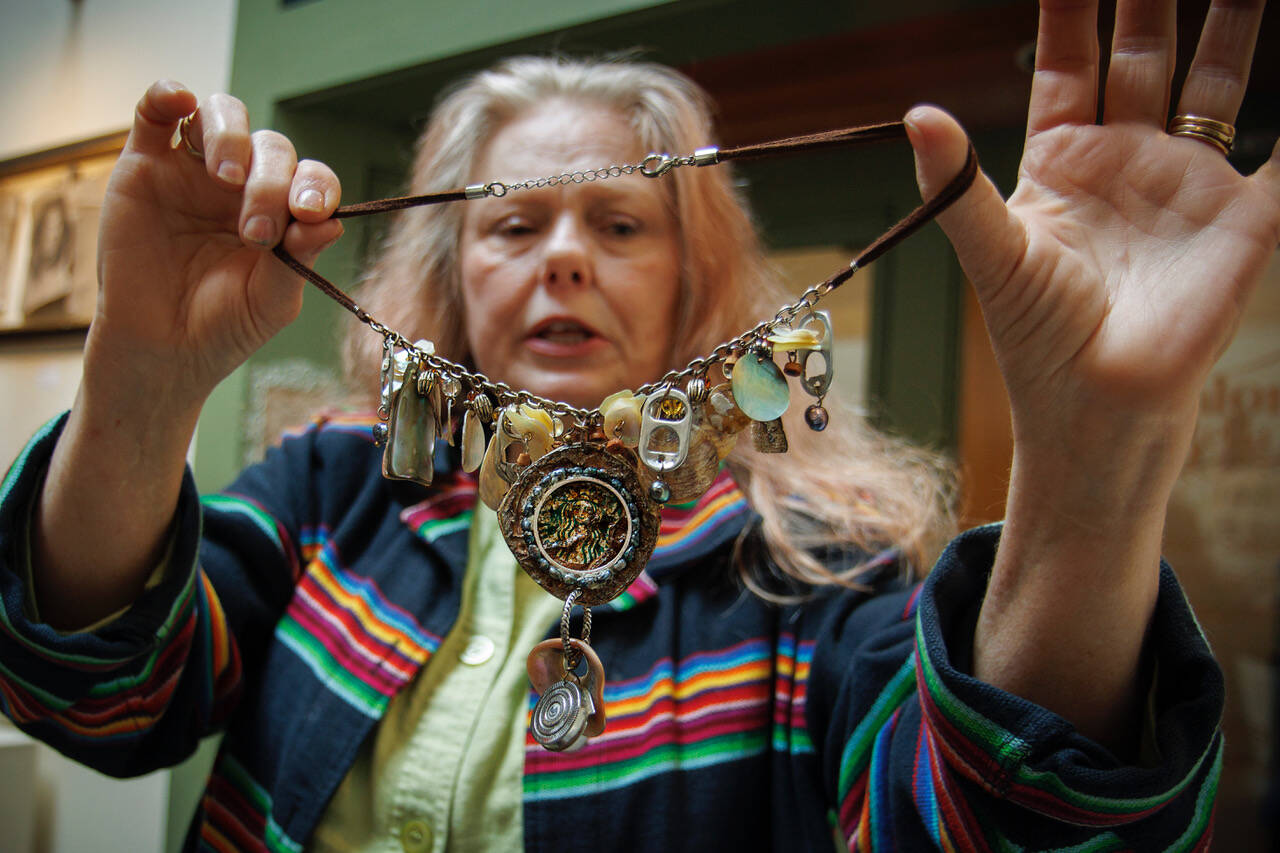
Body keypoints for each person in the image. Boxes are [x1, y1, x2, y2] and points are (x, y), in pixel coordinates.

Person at [1, 0, 1276, 849]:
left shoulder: (813, 579)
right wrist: (142, 380)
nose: (563, 260)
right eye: (511, 223)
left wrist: (1095, 458)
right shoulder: (335, 489)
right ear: (451, 274)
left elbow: (998, 826)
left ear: (693, 277)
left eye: (620, 224)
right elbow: (99, 697)